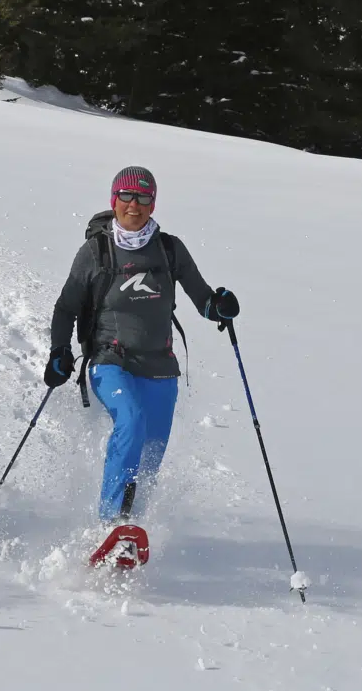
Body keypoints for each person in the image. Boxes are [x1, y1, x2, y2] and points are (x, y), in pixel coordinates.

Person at [45, 166, 238, 527]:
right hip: (109, 361)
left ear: (153, 203)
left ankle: (132, 529)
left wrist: (220, 305)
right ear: (114, 200)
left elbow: (203, 300)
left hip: (161, 366)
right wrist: (59, 351)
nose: (134, 205)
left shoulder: (169, 249)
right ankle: (110, 522)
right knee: (131, 421)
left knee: (151, 453)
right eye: (127, 197)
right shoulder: (95, 251)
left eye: (144, 198)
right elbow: (66, 307)